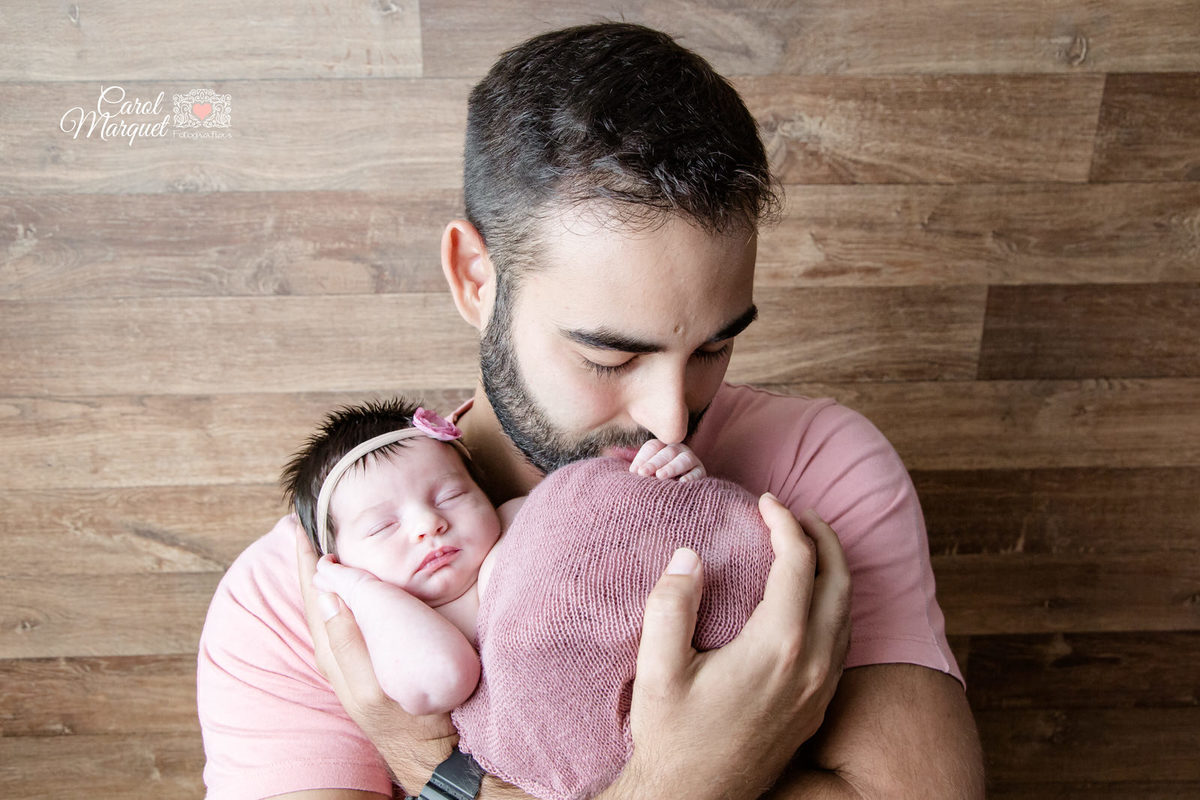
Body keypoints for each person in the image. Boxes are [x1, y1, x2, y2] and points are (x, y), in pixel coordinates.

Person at [197, 21, 984, 800]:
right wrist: (690, 780)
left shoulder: (820, 465)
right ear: (476, 278)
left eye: (713, 348)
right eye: (611, 356)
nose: (674, 421)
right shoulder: (298, 601)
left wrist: (442, 774)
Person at [283, 397, 774, 800]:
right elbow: (444, 678)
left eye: (450, 496)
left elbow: (634, 534)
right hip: (565, 757)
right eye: (382, 527)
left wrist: (662, 479)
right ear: (337, 562)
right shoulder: (390, 624)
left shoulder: (525, 518)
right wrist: (358, 590)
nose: (426, 525)